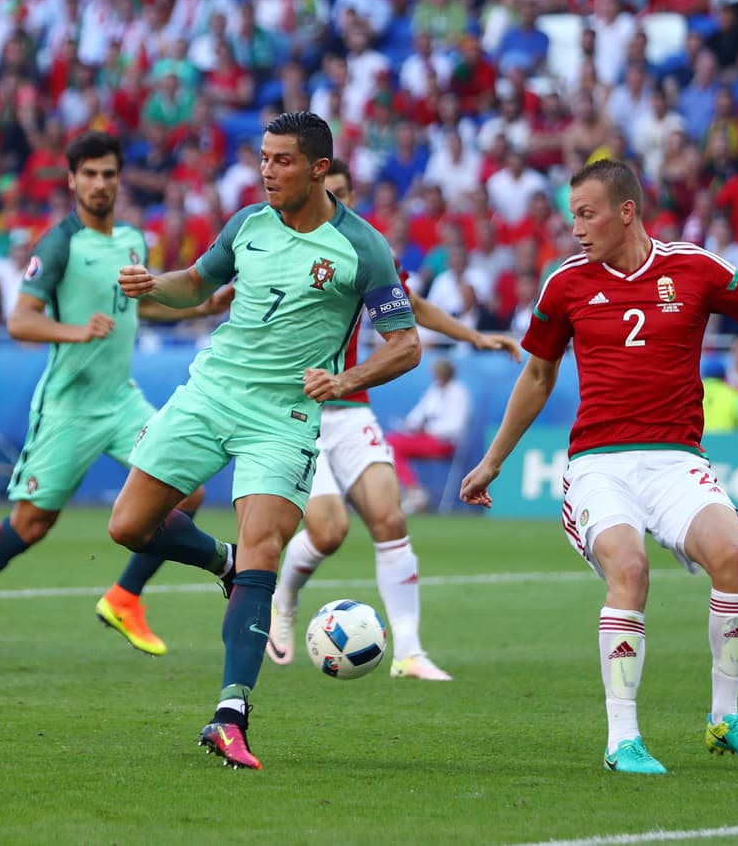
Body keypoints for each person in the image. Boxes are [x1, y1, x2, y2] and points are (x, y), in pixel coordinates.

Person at [460, 160, 738, 775]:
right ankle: (623, 739)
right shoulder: (564, 284)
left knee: (734, 558)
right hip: (598, 465)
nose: (577, 229)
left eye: (587, 214)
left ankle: (724, 719)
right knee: (630, 569)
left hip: (675, 459)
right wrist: (492, 460)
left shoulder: (695, 268)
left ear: (626, 211)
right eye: (572, 216)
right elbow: (537, 374)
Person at [105, 111, 421, 771]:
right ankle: (223, 565)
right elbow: (196, 281)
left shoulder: (362, 248)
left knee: (266, 548)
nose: (267, 170)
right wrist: (151, 283)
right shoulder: (247, 223)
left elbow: (407, 344)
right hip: (209, 392)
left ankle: (230, 713)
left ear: (318, 168)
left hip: (284, 418)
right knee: (128, 525)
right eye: (263, 157)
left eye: (281, 160)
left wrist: (348, 378)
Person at [0, 132, 231, 666]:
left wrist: (201, 308)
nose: (100, 183)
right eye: (90, 174)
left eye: (109, 174)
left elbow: (140, 309)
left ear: (119, 179)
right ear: (72, 180)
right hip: (67, 406)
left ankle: (125, 598)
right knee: (32, 526)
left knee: (186, 490)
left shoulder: (134, 239)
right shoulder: (58, 243)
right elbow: (20, 320)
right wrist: (75, 330)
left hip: (121, 400)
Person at [265, 158, 521, 680]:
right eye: (321, 191)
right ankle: (283, 599)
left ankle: (408, 651)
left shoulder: (364, 250)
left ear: (347, 196)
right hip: (295, 415)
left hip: (351, 406)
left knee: (390, 517)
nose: (328, 202)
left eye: (338, 193)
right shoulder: (278, 245)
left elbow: (410, 305)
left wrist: (472, 336)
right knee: (330, 531)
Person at [387, 357, 472, 513]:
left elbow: (455, 426)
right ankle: (411, 491)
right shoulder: (434, 389)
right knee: (390, 443)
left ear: (446, 373)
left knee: (392, 444)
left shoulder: (459, 393)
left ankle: (414, 492)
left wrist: (428, 430)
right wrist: (409, 426)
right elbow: (418, 415)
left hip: (445, 443)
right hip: (426, 438)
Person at [700, 359, 738, 433]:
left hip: (698, 441)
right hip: (726, 442)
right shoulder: (735, 394)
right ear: (723, 376)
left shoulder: (693, 394)